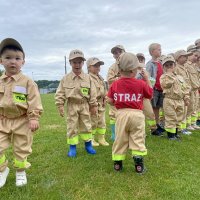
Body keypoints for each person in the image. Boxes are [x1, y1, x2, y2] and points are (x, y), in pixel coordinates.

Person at [0, 38, 43, 187]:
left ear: (23, 62)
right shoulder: (0, 81)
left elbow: (34, 101)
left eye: (17, 58)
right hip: (3, 120)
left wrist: (34, 118)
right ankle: (2, 170)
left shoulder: (27, 82)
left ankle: (20, 172)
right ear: (1, 61)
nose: (13, 61)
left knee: (21, 148)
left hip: (22, 120)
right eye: (8, 58)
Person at [107, 52, 153, 173]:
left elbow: (110, 101)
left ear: (119, 69)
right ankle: (139, 166)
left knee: (120, 139)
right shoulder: (141, 83)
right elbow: (149, 94)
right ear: (134, 70)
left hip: (121, 114)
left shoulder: (115, 84)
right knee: (137, 138)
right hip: (137, 115)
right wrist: (147, 79)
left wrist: (118, 101)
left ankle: (117, 164)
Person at [55, 49, 98, 157]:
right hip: (72, 105)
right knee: (72, 125)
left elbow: (92, 92)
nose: (77, 65)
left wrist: (93, 105)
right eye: (74, 62)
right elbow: (60, 92)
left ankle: (88, 145)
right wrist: (60, 105)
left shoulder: (88, 78)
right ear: (70, 63)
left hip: (84, 105)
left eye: (79, 62)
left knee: (86, 124)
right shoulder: (65, 78)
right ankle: (72, 147)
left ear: (83, 63)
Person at [160, 55, 190, 140]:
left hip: (179, 100)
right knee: (171, 117)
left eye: (171, 65)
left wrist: (186, 98)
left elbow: (184, 88)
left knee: (178, 117)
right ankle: (171, 135)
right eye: (167, 65)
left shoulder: (179, 77)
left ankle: (175, 133)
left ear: (174, 65)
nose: (169, 67)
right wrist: (169, 75)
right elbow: (166, 85)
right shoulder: (164, 77)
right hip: (169, 100)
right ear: (164, 67)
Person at [87, 57, 109, 146]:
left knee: (102, 121)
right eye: (95, 65)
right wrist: (92, 104)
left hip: (101, 103)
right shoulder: (87, 78)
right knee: (93, 121)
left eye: (99, 65)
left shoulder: (100, 78)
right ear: (89, 67)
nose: (98, 67)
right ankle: (91, 138)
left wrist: (105, 98)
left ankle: (101, 138)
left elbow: (104, 89)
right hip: (92, 103)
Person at [107, 45, 125, 140]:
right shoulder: (112, 67)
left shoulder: (130, 64)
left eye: (119, 52)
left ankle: (126, 133)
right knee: (113, 115)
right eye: (115, 53)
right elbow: (109, 80)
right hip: (116, 94)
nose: (117, 54)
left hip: (127, 94)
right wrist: (120, 78)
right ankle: (114, 134)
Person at [146, 43, 165, 136]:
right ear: (152, 52)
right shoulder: (150, 64)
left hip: (161, 89)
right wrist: (150, 88)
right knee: (153, 109)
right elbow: (148, 76)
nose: (160, 51)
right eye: (158, 49)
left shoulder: (160, 63)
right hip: (154, 89)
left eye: (160, 49)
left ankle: (157, 125)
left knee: (157, 108)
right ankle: (153, 128)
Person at [174, 50, 192, 135]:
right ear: (178, 57)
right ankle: (180, 128)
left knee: (185, 110)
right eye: (184, 56)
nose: (186, 58)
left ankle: (183, 127)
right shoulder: (176, 68)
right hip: (181, 93)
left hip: (187, 91)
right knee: (181, 111)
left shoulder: (184, 67)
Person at [185, 45, 200, 130]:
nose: (196, 58)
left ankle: (192, 123)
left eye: (197, 56)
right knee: (189, 107)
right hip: (190, 90)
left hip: (195, 90)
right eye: (195, 55)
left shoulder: (194, 66)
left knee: (194, 107)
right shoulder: (186, 65)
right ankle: (187, 124)